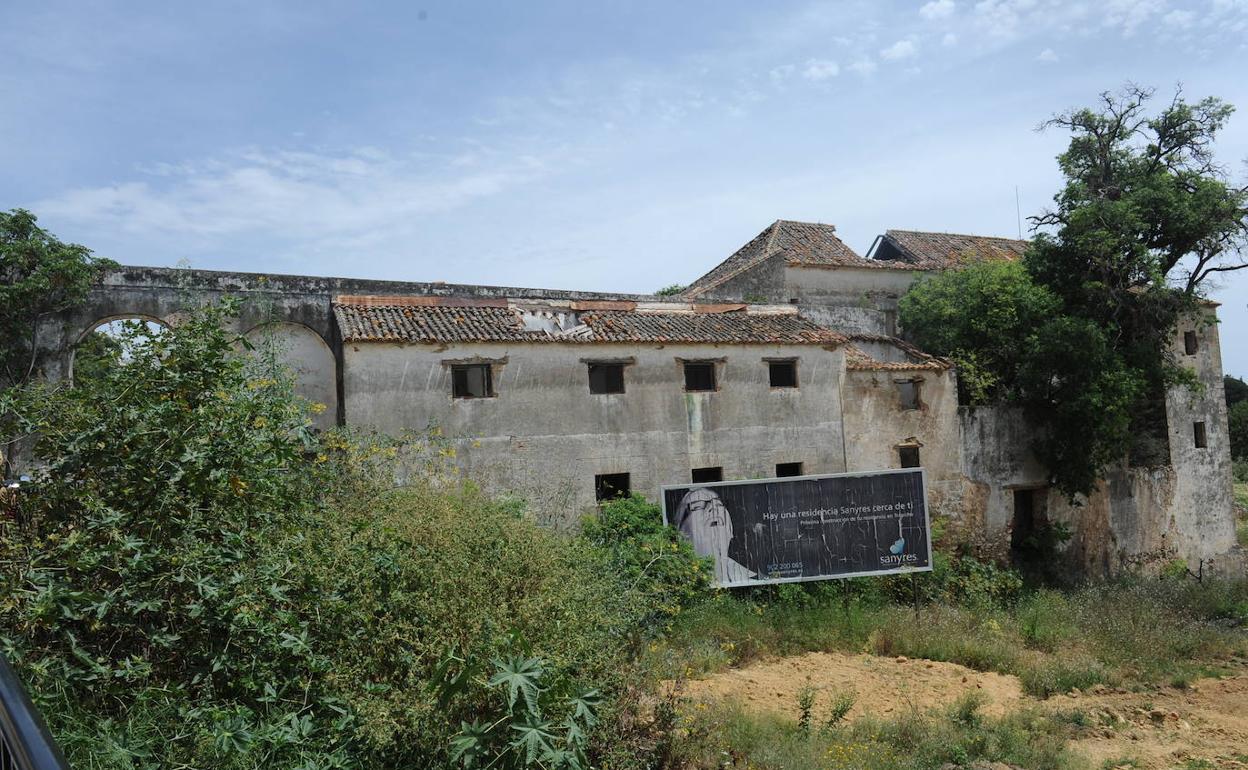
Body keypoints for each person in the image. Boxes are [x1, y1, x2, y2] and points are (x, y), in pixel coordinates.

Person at [674, 487, 757, 584]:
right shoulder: (678, 583)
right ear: (681, 534)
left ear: (730, 530)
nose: (713, 508)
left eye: (718, 504)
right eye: (698, 506)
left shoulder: (753, 582)